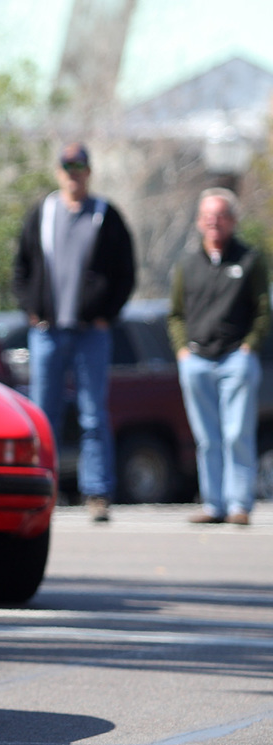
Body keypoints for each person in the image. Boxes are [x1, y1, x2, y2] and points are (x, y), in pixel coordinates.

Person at [12, 142, 136, 522]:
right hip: (47, 333)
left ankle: (97, 492)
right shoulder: (43, 213)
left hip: (90, 334)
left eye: (80, 167)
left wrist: (105, 314)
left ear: (89, 172)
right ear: (58, 171)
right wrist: (31, 309)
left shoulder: (105, 215)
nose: (73, 174)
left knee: (93, 414)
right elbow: (22, 266)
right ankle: (41, 489)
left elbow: (126, 273)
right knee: (43, 413)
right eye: (67, 167)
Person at [168, 188, 269, 526]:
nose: (214, 222)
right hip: (197, 360)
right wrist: (182, 351)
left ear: (233, 220)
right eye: (208, 216)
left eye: (221, 216)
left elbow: (262, 310)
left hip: (235, 359)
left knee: (236, 432)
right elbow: (175, 314)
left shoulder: (249, 259)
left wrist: (248, 347)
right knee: (207, 437)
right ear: (199, 222)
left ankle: (240, 504)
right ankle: (214, 504)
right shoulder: (187, 264)